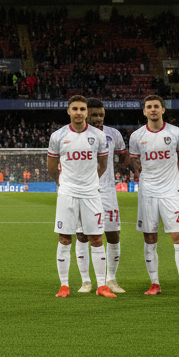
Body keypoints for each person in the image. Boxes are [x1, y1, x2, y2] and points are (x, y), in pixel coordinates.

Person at [127, 95, 179, 296]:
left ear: (163, 110)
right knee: (150, 237)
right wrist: (142, 174)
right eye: (149, 107)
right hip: (147, 192)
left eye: (156, 106)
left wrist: (173, 178)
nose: (153, 110)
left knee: (178, 235)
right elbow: (134, 162)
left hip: (170, 192)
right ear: (144, 111)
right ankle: (154, 284)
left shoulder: (175, 132)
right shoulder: (136, 136)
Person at [48, 95, 113, 297]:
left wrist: (90, 182)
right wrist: (61, 184)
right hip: (67, 193)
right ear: (68, 111)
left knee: (96, 238)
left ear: (86, 112)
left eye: (82, 109)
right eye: (74, 109)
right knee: (65, 238)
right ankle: (64, 285)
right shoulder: (58, 136)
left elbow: (102, 165)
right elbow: (51, 167)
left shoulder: (99, 137)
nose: (78, 113)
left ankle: (101, 285)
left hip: (91, 194)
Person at [76, 98, 128, 294]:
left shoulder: (113, 134)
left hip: (107, 191)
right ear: (86, 114)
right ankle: (86, 281)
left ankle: (112, 279)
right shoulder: (77, 134)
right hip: (84, 191)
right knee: (82, 235)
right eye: (94, 115)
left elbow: (124, 155)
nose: (98, 118)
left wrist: (123, 168)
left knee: (113, 234)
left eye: (101, 115)